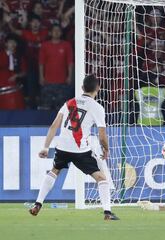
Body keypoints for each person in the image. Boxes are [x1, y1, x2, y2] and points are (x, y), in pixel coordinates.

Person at [29, 74, 119, 221]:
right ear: (98, 88)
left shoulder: (69, 103)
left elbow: (54, 125)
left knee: (54, 171)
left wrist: (46, 147)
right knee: (101, 178)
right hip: (80, 150)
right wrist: (106, 149)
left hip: (62, 147)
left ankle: (38, 203)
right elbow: (102, 134)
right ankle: (107, 212)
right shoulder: (97, 107)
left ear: (82, 88)